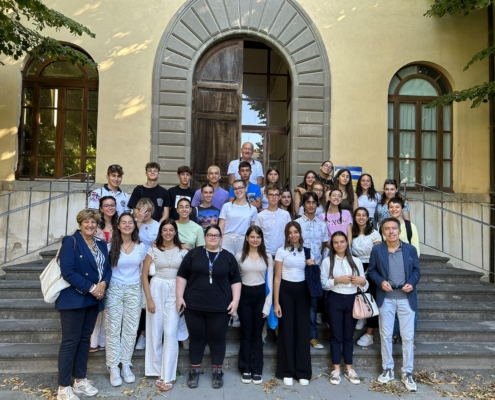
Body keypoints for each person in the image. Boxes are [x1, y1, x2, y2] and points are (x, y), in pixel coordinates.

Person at [176, 225, 242, 389]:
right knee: (197, 338)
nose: (213, 238)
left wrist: (235, 301)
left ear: (220, 238)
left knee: (218, 339)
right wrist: (179, 297)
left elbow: (236, 281)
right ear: (205, 237)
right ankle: (194, 370)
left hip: (220, 307)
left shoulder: (228, 257)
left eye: (216, 235)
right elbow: (182, 276)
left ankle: (218, 371)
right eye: (210, 235)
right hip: (194, 305)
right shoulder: (194, 254)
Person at [55, 209, 111, 400]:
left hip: (93, 299)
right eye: (86, 221)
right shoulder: (70, 241)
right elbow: (67, 271)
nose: (90, 225)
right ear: (80, 223)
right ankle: (63, 388)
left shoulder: (101, 244)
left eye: (93, 222)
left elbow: (108, 268)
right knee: (70, 342)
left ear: (97, 224)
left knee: (85, 340)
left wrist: (103, 284)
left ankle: (79, 381)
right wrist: (92, 287)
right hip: (73, 299)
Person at [368, 217, 421, 392]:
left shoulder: (410, 249)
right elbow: (372, 271)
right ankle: (388, 369)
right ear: (383, 232)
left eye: (394, 228)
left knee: (407, 337)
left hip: (406, 298)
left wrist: (412, 283)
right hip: (386, 298)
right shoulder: (377, 250)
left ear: (399, 230)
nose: (391, 231)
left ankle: (407, 372)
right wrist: (380, 281)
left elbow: (416, 271)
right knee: (385, 335)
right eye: (387, 229)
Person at [142, 219, 188, 392]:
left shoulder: (183, 250)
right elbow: (144, 275)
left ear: (175, 232)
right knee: (155, 331)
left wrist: (182, 297)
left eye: (171, 230)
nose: (168, 233)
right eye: (165, 230)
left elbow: (187, 275)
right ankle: (157, 370)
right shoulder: (153, 249)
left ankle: (168, 374)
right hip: (156, 289)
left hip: (175, 290)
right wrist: (149, 299)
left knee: (170, 332)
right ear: (160, 232)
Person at [321, 231, 368, 385]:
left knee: (348, 336)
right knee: (336, 335)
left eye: (342, 241)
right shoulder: (328, 261)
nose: (339, 244)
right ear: (332, 245)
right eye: (336, 242)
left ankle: (349, 368)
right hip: (335, 298)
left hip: (352, 299)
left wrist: (361, 280)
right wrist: (337, 280)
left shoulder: (356, 261)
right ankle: (336, 370)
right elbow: (323, 284)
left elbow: (365, 285)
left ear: (347, 243)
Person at [105, 213, 145, 387]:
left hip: (134, 289)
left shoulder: (141, 246)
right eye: (124, 223)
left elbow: (144, 272)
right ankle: (113, 366)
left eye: (130, 222)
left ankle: (126, 364)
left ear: (134, 226)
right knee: (113, 328)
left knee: (130, 329)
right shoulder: (109, 246)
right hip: (114, 288)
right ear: (118, 226)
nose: (127, 225)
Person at [274, 222, 312, 387]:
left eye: (296, 232)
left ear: (300, 233)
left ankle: (302, 371)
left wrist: (313, 265)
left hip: (303, 292)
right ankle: (287, 371)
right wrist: (276, 302)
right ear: (287, 235)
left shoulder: (307, 250)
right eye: (290, 233)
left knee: (302, 331)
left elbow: (312, 273)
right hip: (286, 292)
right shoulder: (281, 251)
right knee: (287, 330)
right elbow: (277, 278)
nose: (293, 235)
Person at [236, 226, 273, 385]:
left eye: (258, 237)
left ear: (261, 239)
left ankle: (257, 368)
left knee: (257, 334)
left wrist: (267, 305)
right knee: (246, 333)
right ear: (247, 238)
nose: (255, 240)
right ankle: (245, 367)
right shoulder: (239, 256)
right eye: (252, 237)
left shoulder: (267, 257)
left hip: (260, 296)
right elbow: (235, 282)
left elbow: (270, 283)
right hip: (244, 294)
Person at [296, 192, 329, 349]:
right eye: (307, 202)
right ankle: (299, 335)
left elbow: (323, 245)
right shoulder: (296, 224)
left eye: (313, 202)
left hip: (315, 268)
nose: (310, 205)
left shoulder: (322, 225)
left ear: (317, 205)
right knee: (298, 302)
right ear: (303, 205)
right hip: (298, 268)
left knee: (313, 304)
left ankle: (313, 336)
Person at [90, 196, 118, 353]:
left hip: (114, 268)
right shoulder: (94, 225)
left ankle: (103, 341)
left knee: (108, 308)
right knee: (97, 304)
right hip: (97, 268)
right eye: (106, 205)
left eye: (112, 205)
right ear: (100, 208)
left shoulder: (119, 224)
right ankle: (93, 340)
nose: (110, 208)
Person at [351, 207, 382, 347]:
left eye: (364, 215)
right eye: (358, 215)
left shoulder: (374, 234)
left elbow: (378, 254)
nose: (361, 218)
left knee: (371, 299)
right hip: (355, 265)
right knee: (356, 296)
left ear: (368, 217)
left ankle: (369, 334)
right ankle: (360, 316)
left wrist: (368, 271)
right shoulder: (351, 232)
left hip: (372, 267)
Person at [134, 198, 160, 350]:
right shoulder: (132, 224)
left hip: (151, 269)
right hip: (134, 267)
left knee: (148, 302)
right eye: (142, 210)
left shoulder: (157, 226)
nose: (145, 214)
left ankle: (144, 334)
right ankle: (136, 334)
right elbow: (130, 238)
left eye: (148, 211)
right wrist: (138, 221)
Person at [219, 179, 258, 256]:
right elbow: (221, 227)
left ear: (245, 188)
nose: (238, 190)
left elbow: (253, 229)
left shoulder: (253, 209)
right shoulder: (226, 206)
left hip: (243, 241)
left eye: (240, 188)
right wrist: (219, 243)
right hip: (227, 240)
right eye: (235, 188)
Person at [255, 185, 292, 257]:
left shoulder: (285, 214)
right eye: (271, 194)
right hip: (265, 254)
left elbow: (289, 234)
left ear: (280, 197)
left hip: (282, 253)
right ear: (266, 196)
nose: (274, 197)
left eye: (276, 195)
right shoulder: (260, 216)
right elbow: (256, 235)